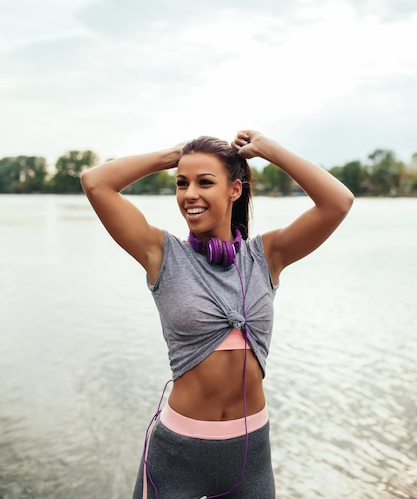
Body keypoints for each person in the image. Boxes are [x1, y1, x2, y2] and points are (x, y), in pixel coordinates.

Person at [81, 129, 354, 499]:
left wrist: (270, 151)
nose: (189, 194)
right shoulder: (162, 255)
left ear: (235, 190)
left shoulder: (266, 256)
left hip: (251, 454)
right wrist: (175, 154)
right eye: (182, 183)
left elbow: (338, 202)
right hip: (178, 455)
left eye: (204, 182)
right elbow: (95, 182)